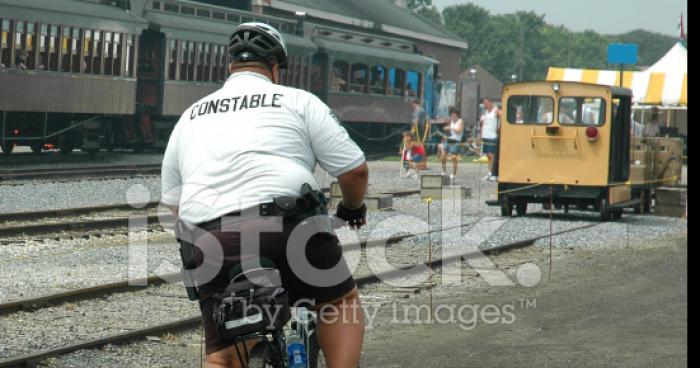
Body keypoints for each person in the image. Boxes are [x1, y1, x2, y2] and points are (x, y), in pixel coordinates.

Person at [161, 23, 367, 368]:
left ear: (230, 68)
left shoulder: (189, 117)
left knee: (222, 355)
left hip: (212, 240)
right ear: (275, 68)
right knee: (339, 304)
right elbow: (355, 171)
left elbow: (172, 203)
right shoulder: (298, 101)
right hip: (289, 227)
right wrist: (351, 208)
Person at [479, 98, 501, 181]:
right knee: (488, 155)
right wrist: (481, 134)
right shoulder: (485, 112)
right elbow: (483, 123)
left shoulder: (496, 110)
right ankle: (489, 172)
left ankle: (494, 173)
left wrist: (499, 127)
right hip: (486, 135)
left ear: (490, 102)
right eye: (484, 103)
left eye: (486, 103)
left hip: (492, 136)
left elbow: (502, 116)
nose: (484, 105)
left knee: (492, 155)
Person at [440, 108, 464, 180]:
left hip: (456, 141)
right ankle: (444, 171)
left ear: (457, 115)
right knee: (443, 155)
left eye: (454, 115)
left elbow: (459, 131)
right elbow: (448, 130)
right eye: (451, 115)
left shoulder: (460, 121)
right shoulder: (451, 121)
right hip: (449, 139)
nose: (453, 116)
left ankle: (454, 173)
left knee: (454, 158)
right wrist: (446, 131)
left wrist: (450, 128)